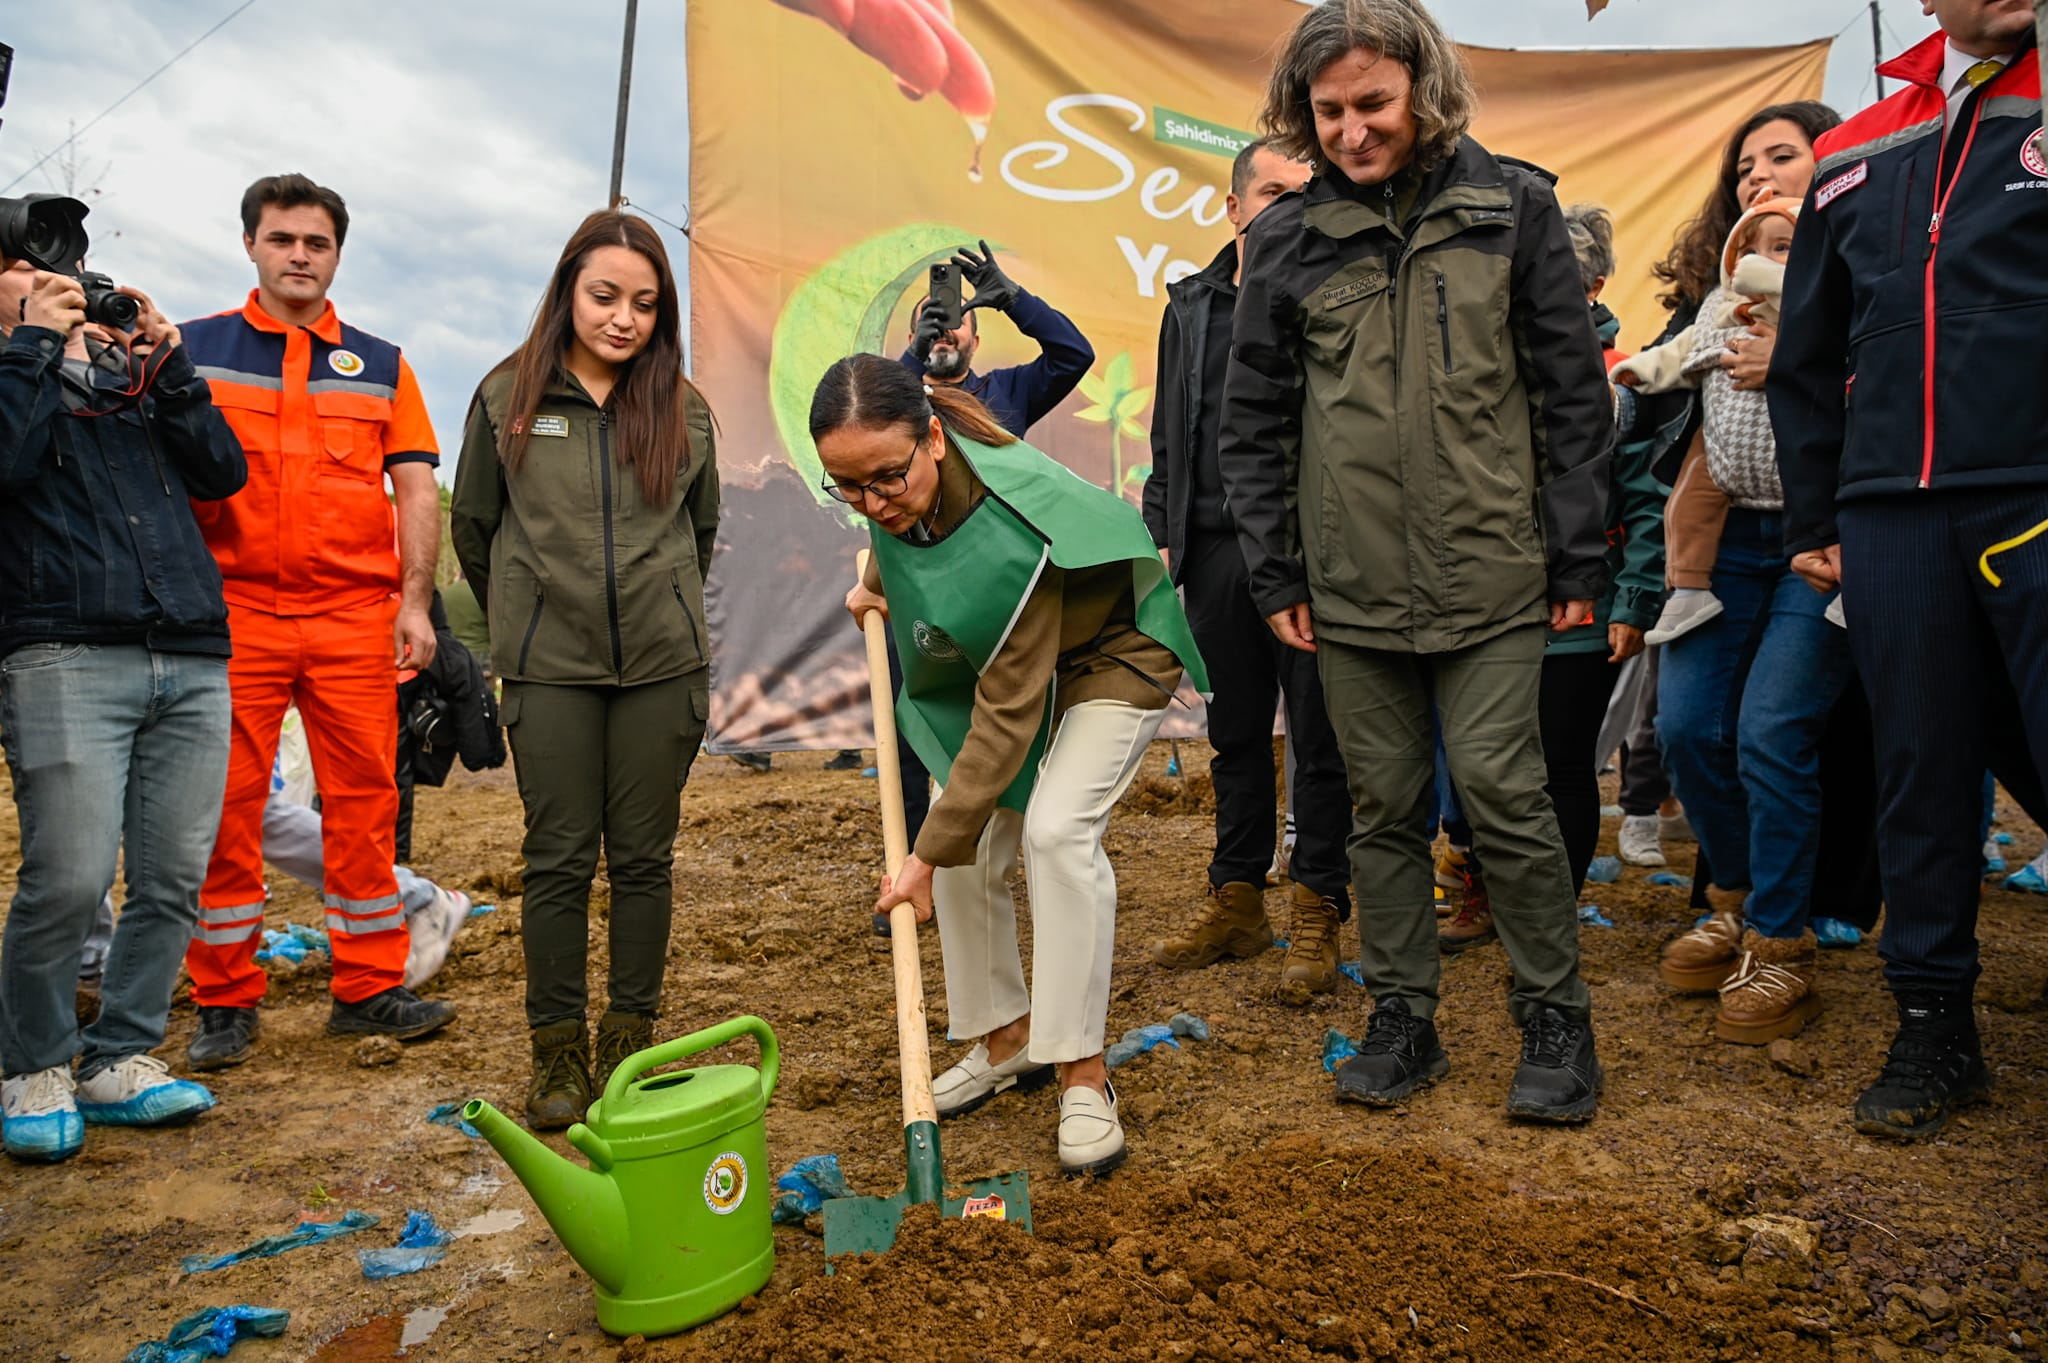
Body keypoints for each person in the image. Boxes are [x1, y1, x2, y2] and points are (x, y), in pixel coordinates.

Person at [1222, 0, 1612, 1123]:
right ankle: (1402, 1014)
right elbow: (1251, 422)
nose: (1350, 131)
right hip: (1347, 591)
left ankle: (1553, 1015)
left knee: (1501, 789)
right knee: (1378, 803)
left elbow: (1569, 399)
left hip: (1494, 575)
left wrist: (1574, 552)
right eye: (1327, 111)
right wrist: (1277, 575)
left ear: (1422, 90)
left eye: (1371, 104)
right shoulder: (1287, 240)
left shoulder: (1513, 210)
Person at [821, 353, 1206, 1176]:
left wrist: (924, 852)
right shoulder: (894, 482)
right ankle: (1007, 1040)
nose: (872, 505)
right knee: (964, 840)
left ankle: (1083, 1074)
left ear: (932, 438)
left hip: (1111, 652)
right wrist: (872, 576)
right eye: (847, 489)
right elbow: (908, 541)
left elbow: (1007, 711)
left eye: (885, 480)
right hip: (1015, 666)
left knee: (1054, 830)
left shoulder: (1009, 520)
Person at [1770, 0, 2047, 1138]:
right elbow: (1806, 348)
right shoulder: (1856, 142)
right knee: (1919, 774)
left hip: (2032, 488)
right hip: (1887, 513)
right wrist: (1814, 511)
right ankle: (1933, 1028)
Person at [450, 209, 720, 1130]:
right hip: (549, 672)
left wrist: (663, 612)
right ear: (568, 290)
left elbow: (702, 532)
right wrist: (530, 621)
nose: (623, 319)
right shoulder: (505, 397)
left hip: (660, 670)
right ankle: (557, 1051)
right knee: (558, 861)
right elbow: (476, 532)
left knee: (644, 859)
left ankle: (629, 1041)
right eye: (605, 296)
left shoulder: (684, 409)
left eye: (645, 304)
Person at [178, 174, 453, 1071]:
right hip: (232, 614)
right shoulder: (192, 351)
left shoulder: (381, 363)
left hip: (351, 618)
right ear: (251, 245)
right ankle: (223, 998)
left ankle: (370, 989)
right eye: (283, 239)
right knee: (223, 808)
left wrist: (413, 602)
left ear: (338, 253)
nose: (300, 255)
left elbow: (415, 486)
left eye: (317, 242)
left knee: (366, 803)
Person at [0, 251, 245, 1162]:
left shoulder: (126, 378)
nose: (62, 287)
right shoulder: (13, 374)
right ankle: (31, 1065)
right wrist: (31, 340)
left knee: (172, 875)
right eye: (27, 270)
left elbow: (222, 473)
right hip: (62, 650)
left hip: (187, 648)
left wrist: (170, 363)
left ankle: (121, 1057)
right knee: (66, 878)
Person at [1649, 114, 1853, 1048]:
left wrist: (1804, 361)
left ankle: (1781, 942)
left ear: (1837, 168)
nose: (1760, 178)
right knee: (1688, 727)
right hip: (1722, 541)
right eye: (1744, 168)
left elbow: (1913, 376)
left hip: (1824, 541)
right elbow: (1658, 382)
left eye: (1784, 159)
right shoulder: (1716, 294)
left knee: (1775, 729)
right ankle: (1731, 899)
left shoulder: (1873, 273)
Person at [1140, 138, 1354, 1003]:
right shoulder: (1189, 306)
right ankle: (1237, 900)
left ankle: (1318, 905)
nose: (1285, 210)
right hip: (1213, 552)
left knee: (1320, 736)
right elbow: (1168, 439)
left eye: (1303, 196)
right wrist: (1161, 537)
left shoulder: (1335, 296)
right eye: (1270, 193)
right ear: (1232, 208)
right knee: (1233, 733)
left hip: (1309, 554)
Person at [1515, 204, 1662, 911]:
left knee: (1562, 767)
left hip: (1583, 608)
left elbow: (1645, 502)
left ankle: (1550, 918)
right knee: (1502, 766)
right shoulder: (1498, 369)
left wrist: (1632, 601)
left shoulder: (1622, 383)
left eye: (1557, 278)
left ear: (1595, 286)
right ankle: (1500, 896)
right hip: (1497, 603)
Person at [1620, 199, 1806, 644]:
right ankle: (1688, 587)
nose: (1763, 261)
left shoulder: (1816, 302)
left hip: (1799, 461)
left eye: (1784, 248)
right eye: (1752, 252)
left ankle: (1845, 577)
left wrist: (1786, 357)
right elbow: (1683, 351)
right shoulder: (1719, 309)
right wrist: (1639, 372)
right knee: (1686, 503)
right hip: (1723, 447)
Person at [899, 240, 1095, 439]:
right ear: (912, 340)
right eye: (930, 319)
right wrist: (913, 359)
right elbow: (875, 419)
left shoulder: (1007, 390)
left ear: (975, 343)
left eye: (954, 320)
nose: (943, 330)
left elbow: (1075, 356)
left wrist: (1015, 300)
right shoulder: (892, 394)